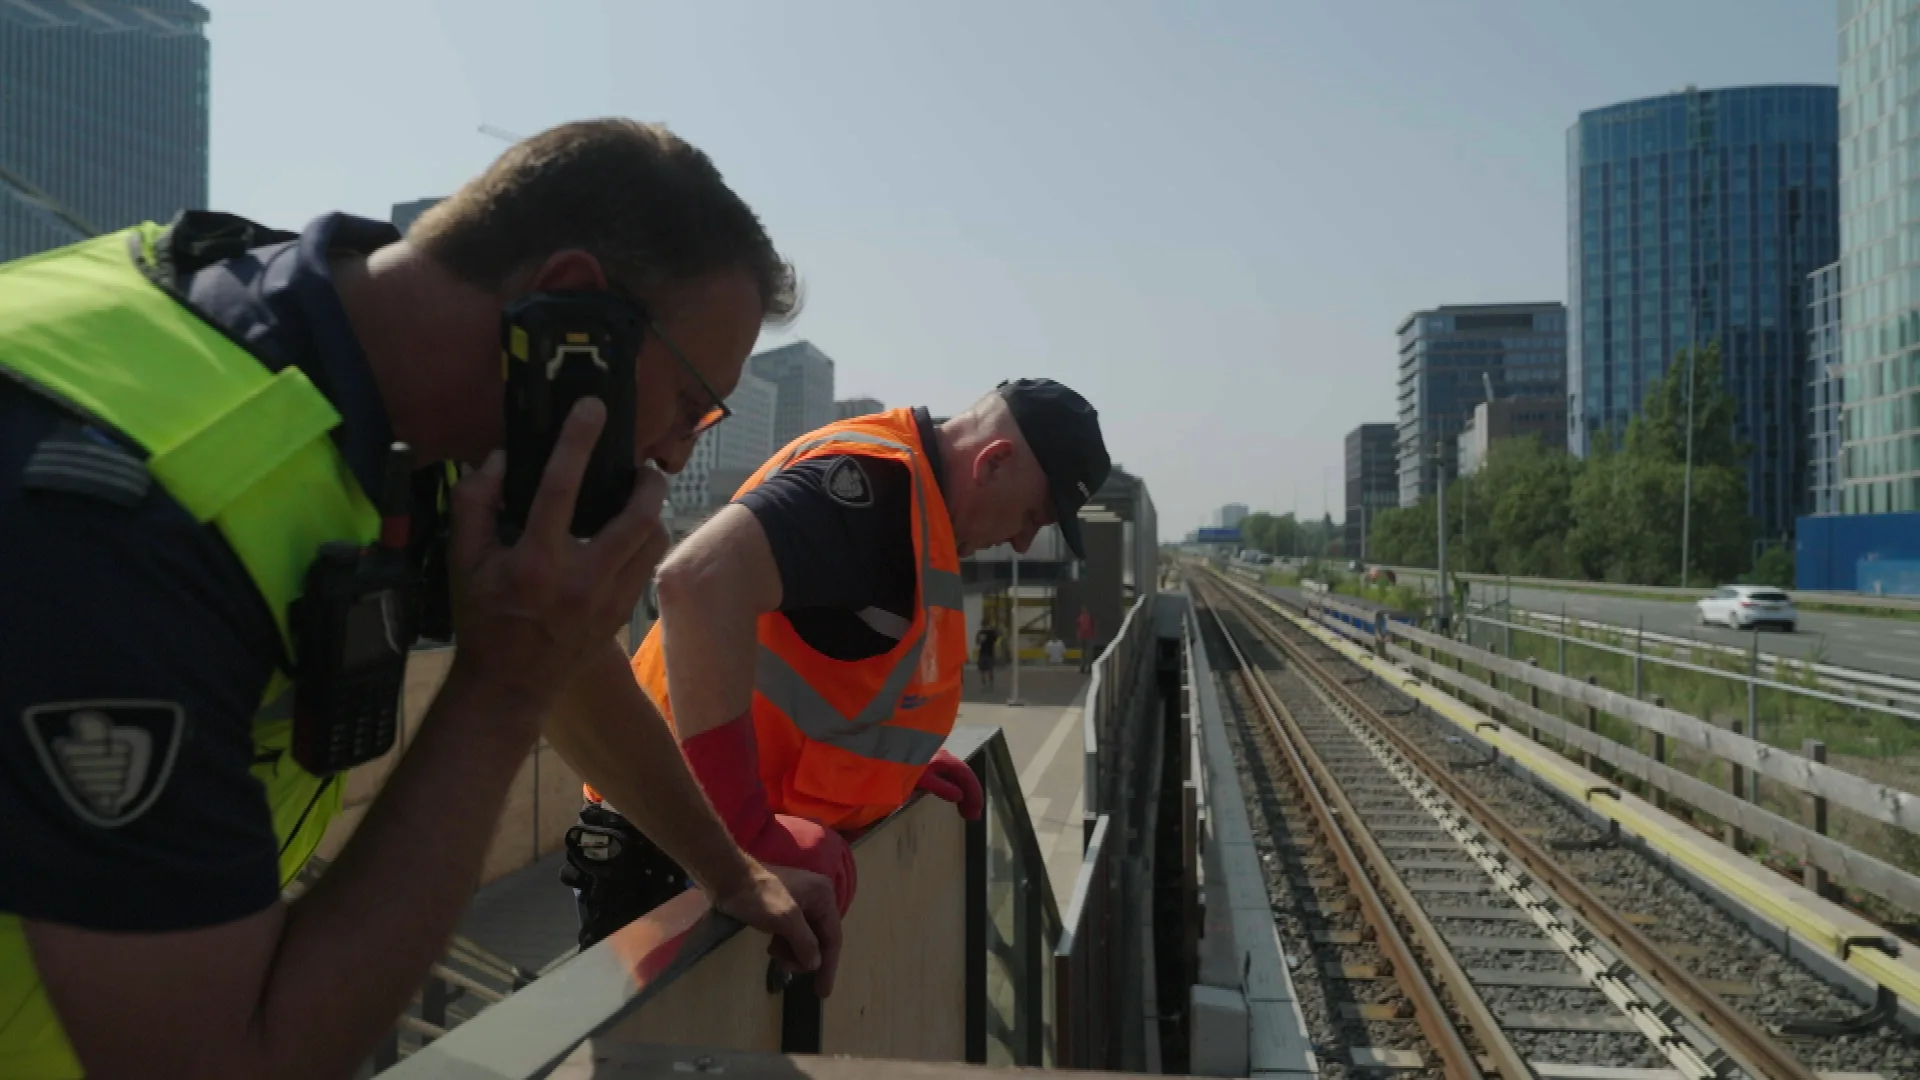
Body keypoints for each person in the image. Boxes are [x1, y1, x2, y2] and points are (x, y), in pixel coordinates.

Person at [0, 119, 845, 1080]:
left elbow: (570, 667)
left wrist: (728, 870)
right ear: (574, 316)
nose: (678, 453)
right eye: (690, 405)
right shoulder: (129, 516)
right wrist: (498, 690)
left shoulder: (360, 361)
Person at [569, 380, 1111, 942]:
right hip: (675, 851)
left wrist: (893, 768)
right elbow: (696, 581)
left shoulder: (914, 508)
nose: (1022, 542)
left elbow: (827, 669)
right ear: (994, 461)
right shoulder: (877, 490)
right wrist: (746, 836)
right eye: (1032, 515)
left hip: (705, 851)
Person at [975, 622, 1002, 689]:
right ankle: (985, 684)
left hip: (988, 654)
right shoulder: (982, 632)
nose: (986, 627)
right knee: (983, 671)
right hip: (984, 653)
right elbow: (977, 642)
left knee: (989, 670)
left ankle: (990, 684)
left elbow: (998, 636)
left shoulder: (991, 633)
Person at [1077, 605, 1098, 673]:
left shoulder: (1090, 616)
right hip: (1082, 636)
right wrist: (1078, 634)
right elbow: (1078, 626)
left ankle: (1089, 668)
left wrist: (1093, 634)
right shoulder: (1080, 616)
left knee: (1089, 653)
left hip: (1089, 636)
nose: (1083, 610)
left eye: (1084, 609)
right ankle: (1082, 667)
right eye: (1082, 609)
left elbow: (1093, 625)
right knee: (1082, 652)